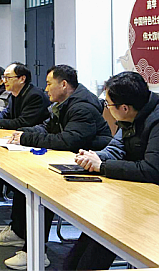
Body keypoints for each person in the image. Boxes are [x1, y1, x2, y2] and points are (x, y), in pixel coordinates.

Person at [0, 65, 113, 270]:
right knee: (25, 178)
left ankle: (35, 252)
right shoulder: (63, 104)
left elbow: (67, 141)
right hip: (75, 161)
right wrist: (23, 133)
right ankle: (19, 232)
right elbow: (46, 127)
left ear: (63, 85)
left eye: (49, 84)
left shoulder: (82, 107)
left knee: (42, 187)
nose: (46, 89)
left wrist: (27, 138)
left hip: (92, 169)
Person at [64, 71, 159, 271]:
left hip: (150, 201)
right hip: (135, 192)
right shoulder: (132, 113)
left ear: (124, 108)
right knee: (94, 233)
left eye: (108, 104)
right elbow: (116, 148)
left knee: (102, 237)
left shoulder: (156, 121)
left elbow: (151, 170)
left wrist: (102, 166)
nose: (106, 107)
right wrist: (94, 158)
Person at [0, 62, 50, 129]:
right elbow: (6, 113)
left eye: (8, 77)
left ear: (22, 79)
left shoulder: (35, 96)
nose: (4, 81)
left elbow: (23, 122)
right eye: (4, 77)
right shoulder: (13, 94)